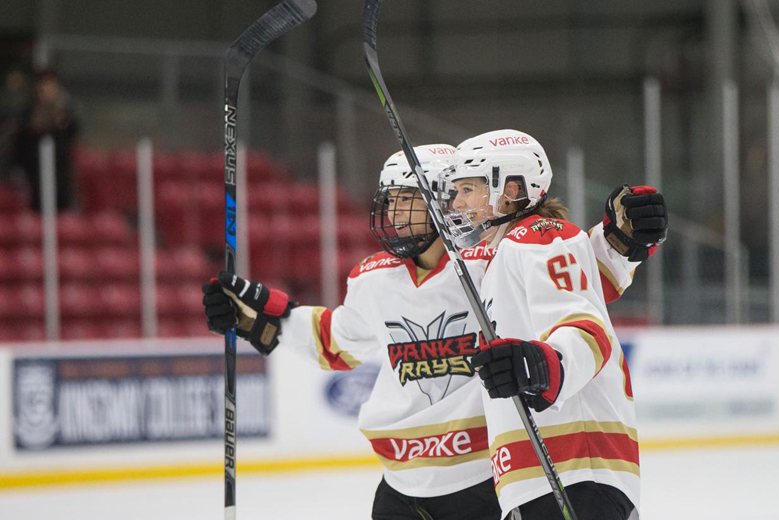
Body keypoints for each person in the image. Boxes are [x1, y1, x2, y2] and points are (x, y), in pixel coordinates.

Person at [202, 140, 667, 519]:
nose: (395, 212)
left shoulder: (492, 258)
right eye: (392, 200)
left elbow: (572, 270)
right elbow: (338, 340)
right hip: (402, 484)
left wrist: (620, 238)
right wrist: (266, 321)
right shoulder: (373, 277)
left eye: (410, 198)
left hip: (484, 480)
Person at [437, 129, 666, 519]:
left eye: (468, 189)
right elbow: (593, 282)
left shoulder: (539, 236)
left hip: (575, 469)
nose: (456, 202)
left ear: (510, 189)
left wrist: (543, 365)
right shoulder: (503, 252)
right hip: (540, 476)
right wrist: (616, 245)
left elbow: (585, 330)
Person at [17, 68, 79, 211]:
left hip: (61, 180)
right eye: (42, 85)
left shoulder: (66, 114)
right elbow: (21, 146)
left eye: (49, 85)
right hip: (34, 180)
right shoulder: (28, 116)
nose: (45, 90)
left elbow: (73, 134)